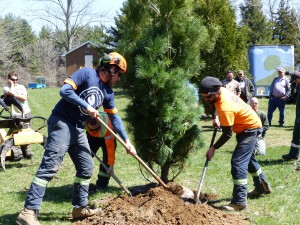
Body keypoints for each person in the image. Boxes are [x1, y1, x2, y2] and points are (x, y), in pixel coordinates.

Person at [16, 52, 137, 225]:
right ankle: (28, 211)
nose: (119, 78)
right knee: (50, 165)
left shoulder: (108, 92)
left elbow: (115, 119)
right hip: (62, 122)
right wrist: (86, 106)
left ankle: (79, 208)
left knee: (86, 166)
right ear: (111, 68)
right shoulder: (86, 74)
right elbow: (64, 91)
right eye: (119, 74)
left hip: (78, 128)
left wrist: (127, 142)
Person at [200, 76, 271, 211]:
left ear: (216, 93)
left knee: (238, 162)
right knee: (248, 159)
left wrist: (213, 148)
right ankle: (261, 186)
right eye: (204, 97)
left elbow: (227, 134)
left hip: (249, 129)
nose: (206, 100)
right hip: (245, 125)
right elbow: (217, 105)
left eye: (208, 97)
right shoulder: (221, 90)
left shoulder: (225, 106)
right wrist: (216, 117)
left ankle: (239, 202)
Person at [3, 71, 33, 159]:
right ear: (9, 80)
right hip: (15, 114)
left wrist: (13, 95)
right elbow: (10, 94)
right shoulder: (6, 88)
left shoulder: (21, 87)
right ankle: (16, 152)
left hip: (26, 112)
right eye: (13, 80)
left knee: (27, 132)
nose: (15, 81)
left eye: (16, 80)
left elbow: (24, 98)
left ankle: (27, 152)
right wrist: (11, 85)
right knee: (15, 133)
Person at [85, 112, 116, 191]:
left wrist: (111, 165)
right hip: (92, 138)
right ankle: (82, 183)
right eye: (92, 129)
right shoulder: (83, 121)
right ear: (87, 123)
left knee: (107, 163)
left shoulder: (107, 127)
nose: (95, 131)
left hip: (107, 137)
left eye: (96, 129)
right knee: (85, 157)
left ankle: (102, 186)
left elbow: (110, 148)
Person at [282, 71, 300, 161]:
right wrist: (293, 88)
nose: (294, 82)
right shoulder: (298, 86)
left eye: (295, 81)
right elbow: (293, 99)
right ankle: (293, 155)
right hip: (298, 117)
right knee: (296, 136)